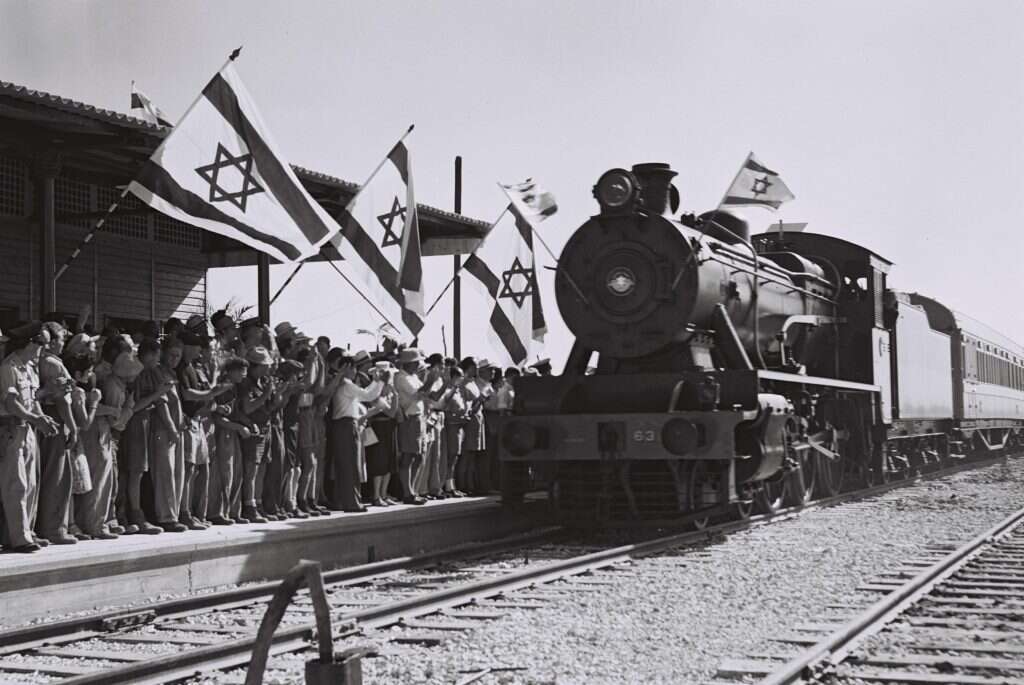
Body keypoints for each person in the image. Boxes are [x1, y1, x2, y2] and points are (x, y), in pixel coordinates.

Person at [0, 323, 59, 552]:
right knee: (16, 485)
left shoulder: (29, 369)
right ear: (30, 343)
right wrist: (36, 419)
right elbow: (11, 403)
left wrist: (42, 418)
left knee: (31, 483)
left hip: (28, 430)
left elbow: (33, 400)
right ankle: (20, 538)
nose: (43, 349)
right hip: (11, 430)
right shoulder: (9, 368)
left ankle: (27, 531)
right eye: (41, 344)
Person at [178, 332, 232, 530]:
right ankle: (184, 512)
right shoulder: (182, 368)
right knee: (189, 470)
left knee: (200, 469)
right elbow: (188, 394)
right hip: (188, 421)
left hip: (199, 420)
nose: (199, 350)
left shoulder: (194, 367)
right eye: (196, 346)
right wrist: (212, 393)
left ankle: (194, 513)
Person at [325, 352, 386, 512]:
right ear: (347, 368)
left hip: (341, 426)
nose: (355, 372)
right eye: (353, 368)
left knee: (343, 465)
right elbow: (368, 395)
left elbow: (364, 394)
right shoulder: (346, 384)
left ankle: (342, 501)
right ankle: (352, 502)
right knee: (351, 465)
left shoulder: (342, 385)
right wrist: (379, 382)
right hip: (346, 425)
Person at [36, 321, 79, 545]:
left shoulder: (41, 361)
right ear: (52, 342)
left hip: (45, 419)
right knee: (58, 476)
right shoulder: (52, 363)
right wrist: (72, 425)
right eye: (62, 339)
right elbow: (62, 399)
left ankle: (47, 525)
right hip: (57, 418)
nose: (64, 343)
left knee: (48, 473)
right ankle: (54, 528)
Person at [123, 339, 170, 535]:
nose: (158, 360)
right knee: (135, 471)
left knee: (141, 471)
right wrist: (157, 394)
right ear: (148, 354)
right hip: (135, 424)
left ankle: (139, 512)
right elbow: (133, 407)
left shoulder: (151, 372)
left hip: (146, 423)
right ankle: (135, 515)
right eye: (156, 356)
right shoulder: (136, 373)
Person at [393, 348, 442, 505]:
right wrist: (431, 381)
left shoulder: (412, 377)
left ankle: (411, 490)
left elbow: (428, 395)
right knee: (409, 456)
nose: (418, 365)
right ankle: (407, 492)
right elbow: (417, 394)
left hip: (419, 417)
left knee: (419, 456)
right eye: (416, 362)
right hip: (410, 418)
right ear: (410, 363)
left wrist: (443, 383)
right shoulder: (401, 378)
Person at [208, 356, 251, 525]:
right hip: (223, 433)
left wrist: (247, 423)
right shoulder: (223, 387)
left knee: (236, 472)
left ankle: (233, 511)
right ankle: (217, 512)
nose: (244, 375)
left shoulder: (234, 388)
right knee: (223, 473)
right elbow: (218, 418)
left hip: (232, 431)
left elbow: (236, 412)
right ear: (232, 371)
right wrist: (239, 427)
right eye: (241, 371)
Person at [236, 346, 275, 524]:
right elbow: (248, 407)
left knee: (261, 468)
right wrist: (265, 394)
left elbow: (267, 407)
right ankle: (249, 506)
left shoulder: (262, 381)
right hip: (253, 429)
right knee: (251, 469)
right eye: (264, 365)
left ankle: (257, 504)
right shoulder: (246, 383)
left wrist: (276, 395)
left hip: (264, 427)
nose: (267, 368)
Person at [458, 357, 492, 495]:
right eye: (474, 367)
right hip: (470, 419)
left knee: (473, 455)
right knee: (467, 454)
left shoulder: (472, 382)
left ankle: (471, 484)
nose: (477, 369)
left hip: (478, 419)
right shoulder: (463, 383)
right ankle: (463, 485)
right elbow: (469, 407)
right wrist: (482, 398)